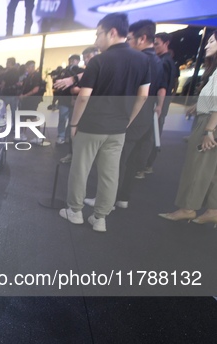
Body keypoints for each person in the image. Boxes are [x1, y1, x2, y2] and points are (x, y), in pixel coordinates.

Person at [59, 13, 150, 232]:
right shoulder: (142, 60)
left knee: (80, 170)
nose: (96, 39)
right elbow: (144, 95)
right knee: (110, 174)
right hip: (118, 128)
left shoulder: (99, 61)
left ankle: (75, 211)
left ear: (111, 32)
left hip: (91, 126)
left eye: (98, 33)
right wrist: (128, 120)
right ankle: (100, 218)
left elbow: (83, 96)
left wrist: (74, 124)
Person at [158, 30, 217, 226]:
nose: (207, 45)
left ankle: (188, 208)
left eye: (211, 41)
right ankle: (213, 210)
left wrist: (209, 130)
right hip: (211, 119)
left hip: (211, 123)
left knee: (197, 166)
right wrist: (198, 106)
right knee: (213, 170)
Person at [141, 32, 180, 175]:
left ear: (166, 43)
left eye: (157, 43)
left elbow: (162, 88)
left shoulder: (163, 62)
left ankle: (144, 166)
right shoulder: (167, 61)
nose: (155, 47)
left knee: (149, 136)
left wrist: (159, 106)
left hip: (156, 106)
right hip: (161, 105)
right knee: (152, 134)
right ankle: (145, 165)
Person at [17, 60, 48, 145]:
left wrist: (25, 95)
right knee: (23, 116)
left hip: (32, 100)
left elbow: (36, 89)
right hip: (26, 100)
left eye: (28, 67)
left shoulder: (36, 76)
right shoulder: (28, 76)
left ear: (32, 67)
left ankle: (38, 136)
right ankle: (22, 134)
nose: (26, 69)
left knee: (32, 117)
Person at [54, 54, 81, 144]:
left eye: (74, 60)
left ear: (78, 61)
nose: (72, 62)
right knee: (62, 118)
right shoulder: (63, 71)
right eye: (71, 60)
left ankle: (68, 136)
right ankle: (61, 136)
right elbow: (57, 83)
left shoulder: (81, 72)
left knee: (72, 120)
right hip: (64, 98)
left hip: (76, 99)